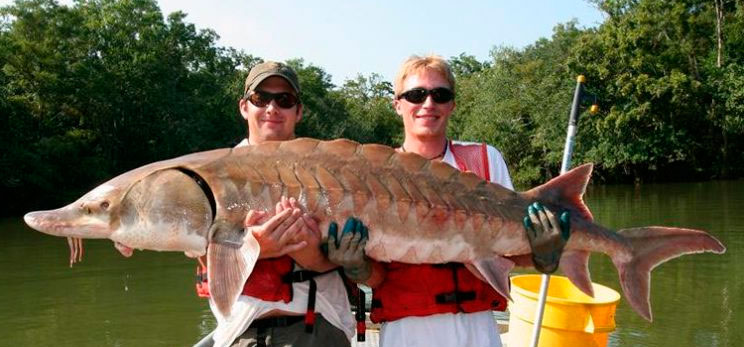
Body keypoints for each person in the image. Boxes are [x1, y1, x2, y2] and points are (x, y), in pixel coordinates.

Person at [327, 55, 570, 347]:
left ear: (452, 105)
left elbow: (507, 253)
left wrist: (542, 255)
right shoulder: (373, 174)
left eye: (440, 95)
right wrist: (356, 267)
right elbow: (378, 277)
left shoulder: (483, 160)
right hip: (405, 332)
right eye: (416, 95)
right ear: (397, 104)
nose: (428, 104)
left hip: (477, 329)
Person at [195, 61, 355, 347]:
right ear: (244, 107)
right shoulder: (213, 174)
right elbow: (193, 247)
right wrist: (256, 247)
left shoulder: (331, 171)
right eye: (261, 99)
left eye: (284, 100)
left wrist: (316, 254)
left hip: (316, 327)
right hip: (240, 333)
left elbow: (359, 258)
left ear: (299, 111)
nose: (272, 108)